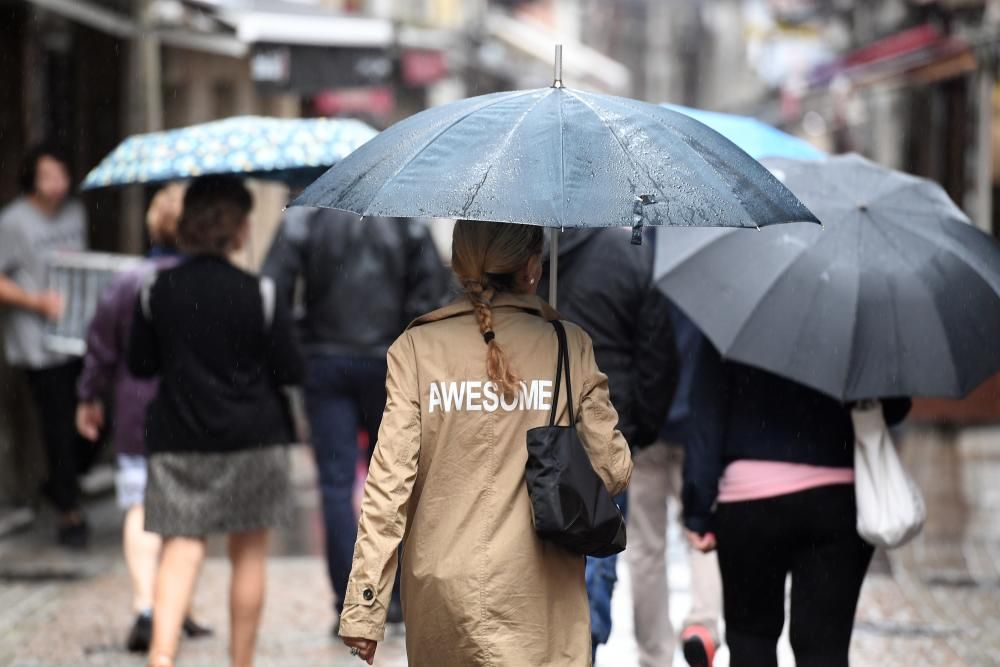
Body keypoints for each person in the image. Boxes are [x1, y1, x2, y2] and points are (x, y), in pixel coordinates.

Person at [337, 220, 632, 666]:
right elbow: (613, 470)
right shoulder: (568, 346)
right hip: (539, 600)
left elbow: (387, 487)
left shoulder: (416, 349)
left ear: (459, 264)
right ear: (531, 267)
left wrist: (365, 607)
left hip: (442, 598)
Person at [127, 176, 304, 667]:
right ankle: (240, 662)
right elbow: (291, 370)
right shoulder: (262, 294)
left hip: (180, 437)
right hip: (254, 438)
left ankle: (162, 657)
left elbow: (140, 363)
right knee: (248, 554)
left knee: (181, 549)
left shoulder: (155, 290)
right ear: (239, 229)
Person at [262, 207, 450, 631]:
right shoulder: (406, 217)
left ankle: (352, 599)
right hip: (389, 357)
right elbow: (431, 294)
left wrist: (294, 354)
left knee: (334, 484)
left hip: (325, 359)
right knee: (398, 480)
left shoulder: (305, 217)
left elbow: (272, 290)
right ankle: (395, 597)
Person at [684, 348, 911, 667]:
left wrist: (698, 512)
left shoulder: (733, 318)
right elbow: (895, 406)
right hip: (835, 498)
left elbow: (706, 416)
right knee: (824, 648)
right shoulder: (857, 315)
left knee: (751, 640)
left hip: (749, 500)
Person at [76, 183, 211, 652]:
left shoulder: (127, 280)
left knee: (139, 505)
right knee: (187, 512)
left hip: (136, 410)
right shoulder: (205, 281)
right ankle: (182, 606)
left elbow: (101, 345)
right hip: (192, 411)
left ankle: (146, 605)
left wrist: (89, 396)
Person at [535, 227, 678, 663]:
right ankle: (586, 643)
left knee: (540, 545)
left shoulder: (527, 250)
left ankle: (560, 640)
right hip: (609, 429)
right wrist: (640, 428)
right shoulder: (632, 254)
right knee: (596, 542)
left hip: (535, 424)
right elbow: (658, 355)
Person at [0, 143, 91, 548]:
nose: (58, 185)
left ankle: (60, 483)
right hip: (37, 342)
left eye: (62, 175)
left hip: (79, 335)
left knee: (90, 422)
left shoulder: (76, 213)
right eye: (48, 177)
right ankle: (69, 514)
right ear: (31, 181)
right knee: (57, 424)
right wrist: (36, 302)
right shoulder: (13, 222)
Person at [627, 304, 723, 667]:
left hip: (647, 422)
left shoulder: (642, 254)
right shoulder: (712, 269)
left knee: (646, 547)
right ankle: (703, 627)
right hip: (699, 423)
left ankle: (654, 654)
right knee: (701, 531)